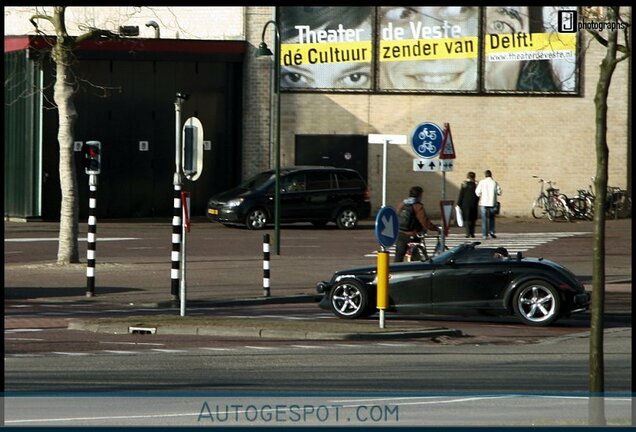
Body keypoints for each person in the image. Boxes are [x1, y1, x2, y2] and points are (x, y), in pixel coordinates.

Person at [394, 185, 440, 262]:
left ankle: (395, 271)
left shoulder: (402, 204)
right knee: (415, 256)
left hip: (401, 234)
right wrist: (435, 228)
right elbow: (425, 222)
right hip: (413, 234)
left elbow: (396, 217)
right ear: (419, 195)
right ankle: (416, 269)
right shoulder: (418, 206)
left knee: (399, 256)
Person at [475, 170, 502, 239]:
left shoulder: (482, 182)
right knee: (492, 218)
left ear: (485, 175)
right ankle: (492, 231)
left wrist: (480, 195)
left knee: (484, 219)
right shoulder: (494, 183)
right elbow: (499, 192)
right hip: (492, 203)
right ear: (491, 175)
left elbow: (477, 192)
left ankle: (484, 234)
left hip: (484, 203)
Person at [456, 171, 479, 238]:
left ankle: (467, 233)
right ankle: (472, 233)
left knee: (466, 219)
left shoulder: (464, 184)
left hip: (465, 203)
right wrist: (476, 201)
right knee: (473, 219)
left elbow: (461, 194)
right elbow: (478, 195)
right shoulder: (476, 184)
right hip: (473, 203)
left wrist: (458, 203)